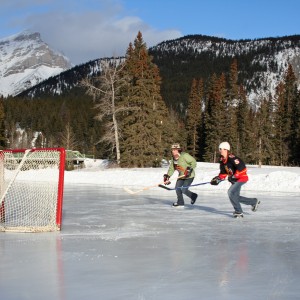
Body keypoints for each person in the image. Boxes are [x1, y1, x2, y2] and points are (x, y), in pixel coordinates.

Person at [210, 142, 260, 218]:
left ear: (226, 149)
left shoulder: (232, 158)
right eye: (219, 149)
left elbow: (242, 168)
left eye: (222, 149)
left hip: (241, 178)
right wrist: (218, 179)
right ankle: (253, 202)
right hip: (234, 180)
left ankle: (238, 212)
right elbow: (223, 173)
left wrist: (235, 176)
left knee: (230, 192)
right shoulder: (222, 160)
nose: (220, 150)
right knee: (235, 197)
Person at [163, 143, 198, 207]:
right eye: (172, 150)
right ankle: (180, 202)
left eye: (175, 150)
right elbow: (172, 168)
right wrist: (168, 176)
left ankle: (193, 196)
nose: (173, 151)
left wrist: (189, 169)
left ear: (178, 150)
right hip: (181, 176)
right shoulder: (173, 158)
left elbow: (194, 162)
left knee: (184, 190)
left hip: (189, 176)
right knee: (177, 188)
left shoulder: (184, 156)